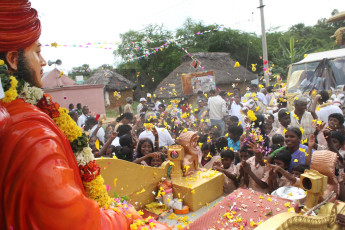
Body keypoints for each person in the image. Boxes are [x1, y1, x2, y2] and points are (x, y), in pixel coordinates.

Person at [0, 2, 170, 229]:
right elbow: (74, 221)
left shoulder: (16, 115)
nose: (42, 61)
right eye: (38, 52)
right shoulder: (30, 132)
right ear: (13, 59)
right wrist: (123, 216)